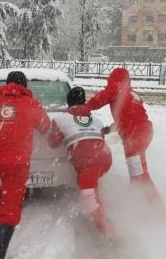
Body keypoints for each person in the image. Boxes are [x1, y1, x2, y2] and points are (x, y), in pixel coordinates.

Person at [0, 71, 51, 259]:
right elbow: (45, 126)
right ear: (25, 86)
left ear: (7, 83)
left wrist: (2, 121)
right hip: (16, 162)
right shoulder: (31, 103)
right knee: (10, 209)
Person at [85, 68, 163, 207]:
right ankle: (143, 200)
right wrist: (110, 129)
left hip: (135, 136)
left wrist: (84, 108)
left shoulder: (116, 87)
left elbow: (99, 99)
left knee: (139, 176)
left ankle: (156, 209)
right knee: (139, 172)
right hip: (143, 132)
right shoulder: (129, 92)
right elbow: (128, 116)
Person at [48, 87, 113, 236]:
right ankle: (100, 209)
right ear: (84, 102)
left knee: (89, 198)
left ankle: (110, 234)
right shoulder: (96, 119)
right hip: (105, 159)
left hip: (86, 161)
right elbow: (100, 139)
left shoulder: (59, 119)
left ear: (68, 103)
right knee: (92, 186)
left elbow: (53, 143)